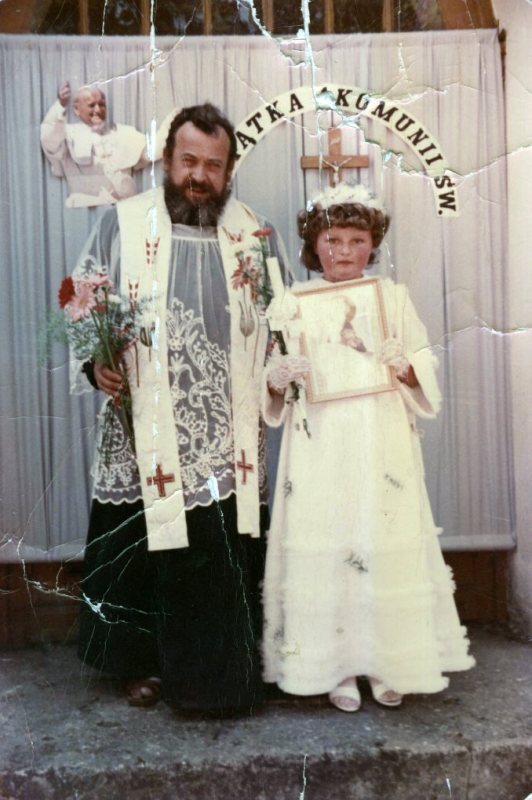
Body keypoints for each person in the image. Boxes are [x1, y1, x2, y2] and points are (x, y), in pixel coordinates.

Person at [73, 103, 288, 714]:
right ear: (167, 160)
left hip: (223, 425)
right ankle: (138, 661)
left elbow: (283, 319)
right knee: (141, 536)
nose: (199, 176)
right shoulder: (124, 223)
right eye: (188, 161)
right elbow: (86, 300)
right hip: (144, 419)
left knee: (215, 548)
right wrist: (96, 361)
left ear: (229, 171)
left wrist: (281, 366)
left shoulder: (255, 234)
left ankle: (216, 668)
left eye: (213, 166)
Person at [262, 183, 475, 712]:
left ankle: (386, 660)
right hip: (320, 442)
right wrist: (279, 377)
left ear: (373, 244)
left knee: (377, 538)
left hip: (378, 437)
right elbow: (271, 376)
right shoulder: (292, 301)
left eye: (357, 240)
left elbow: (421, 360)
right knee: (331, 541)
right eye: (332, 240)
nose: (344, 251)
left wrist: (407, 366)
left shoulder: (390, 298)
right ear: (314, 244)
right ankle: (336, 666)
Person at [41, 81, 173, 208]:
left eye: (102, 104)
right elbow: (48, 139)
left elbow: (151, 152)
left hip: (125, 209)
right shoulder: (68, 135)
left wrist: (173, 122)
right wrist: (60, 106)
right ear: (76, 109)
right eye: (91, 105)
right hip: (87, 211)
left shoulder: (122, 132)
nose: (98, 110)